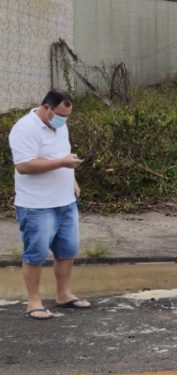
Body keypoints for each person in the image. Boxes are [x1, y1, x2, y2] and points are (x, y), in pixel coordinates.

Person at [8, 89, 91, 320]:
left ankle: (63, 295)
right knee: (35, 253)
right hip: (37, 205)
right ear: (46, 108)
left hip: (65, 201)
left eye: (67, 116)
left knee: (67, 250)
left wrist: (72, 178)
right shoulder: (25, 128)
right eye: (59, 115)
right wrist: (62, 163)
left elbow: (63, 155)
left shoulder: (61, 127)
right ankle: (33, 302)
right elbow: (23, 166)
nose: (63, 120)